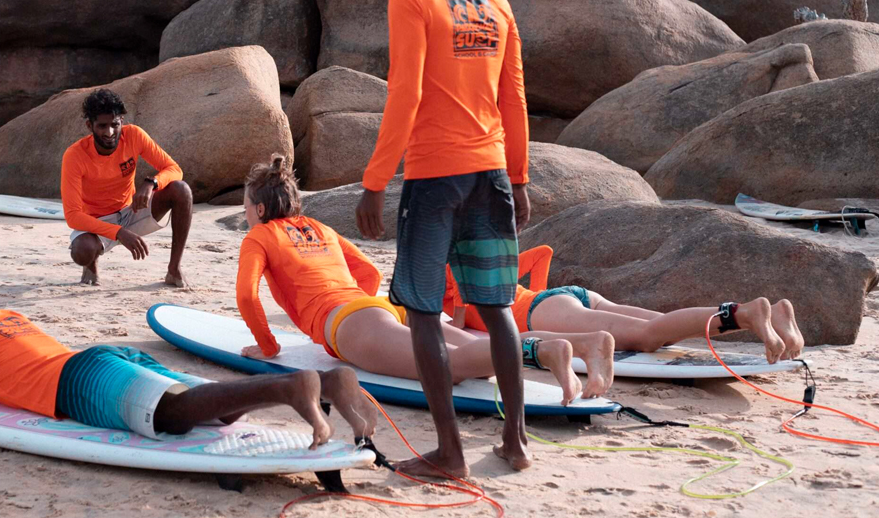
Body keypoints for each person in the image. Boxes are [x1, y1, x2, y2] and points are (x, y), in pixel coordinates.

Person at [353, 0, 531, 477]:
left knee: (425, 313)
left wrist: (376, 181)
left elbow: (405, 93)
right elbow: (514, 98)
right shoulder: (495, 1)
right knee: (496, 306)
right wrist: (520, 176)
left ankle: (450, 453)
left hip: (435, 177)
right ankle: (516, 440)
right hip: (491, 173)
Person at [0, 264, 376, 447]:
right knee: (210, 408)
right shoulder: (12, 317)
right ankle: (326, 386)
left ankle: (290, 387)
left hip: (77, 383)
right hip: (101, 356)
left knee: (171, 418)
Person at [236, 158, 610, 419]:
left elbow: (247, 296)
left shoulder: (259, 236)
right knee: (476, 357)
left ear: (262, 210)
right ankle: (581, 343)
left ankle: (548, 352)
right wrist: (367, 307)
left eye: (247, 206)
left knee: (453, 368)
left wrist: (269, 345)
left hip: (351, 322)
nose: (246, 213)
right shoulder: (319, 227)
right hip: (382, 307)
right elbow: (366, 270)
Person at [443, 246, 804, 364]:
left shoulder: (449, 268)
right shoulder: (481, 251)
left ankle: (746, 312)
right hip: (565, 297)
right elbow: (542, 254)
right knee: (664, 329)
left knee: (648, 336)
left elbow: (459, 321)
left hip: (545, 310)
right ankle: (768, 313)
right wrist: (537, 295)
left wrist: (528, 312)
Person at [62, 88, 193, 288]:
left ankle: (174, 269)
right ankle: (90, 265)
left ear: (122, 121)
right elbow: (72, 216)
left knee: (181, 190)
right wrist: (118, 232)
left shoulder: (134, 135)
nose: (109, 132)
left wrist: (152, 183)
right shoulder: (74, 155)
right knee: (82, 251)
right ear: (90, 126)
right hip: (97, 222)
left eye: (115, 124)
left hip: (132, 210)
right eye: (102, 126)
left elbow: (174, 169)